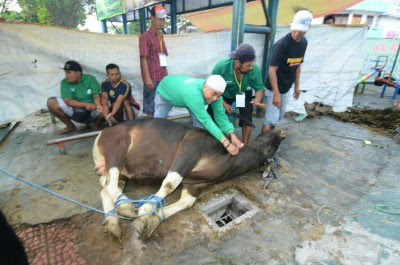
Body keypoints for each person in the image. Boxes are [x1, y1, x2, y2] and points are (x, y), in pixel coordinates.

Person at [154, 75, 243, 156]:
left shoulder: (216, 96)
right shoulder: (193, 94)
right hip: (166, 91)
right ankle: (155, 147)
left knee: (199, 126)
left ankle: (199, 147)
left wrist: (231, 134)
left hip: (185, 95)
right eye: (214, 94)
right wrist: (226, 143)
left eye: (219, 95)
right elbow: (206, 120)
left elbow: (220, 116)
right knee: (157, 123)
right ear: (205, 86)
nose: (215, 98)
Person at [262, 10, 313, 133]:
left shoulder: (304, 43)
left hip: (286, 87)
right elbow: (272, 70)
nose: (297, 33)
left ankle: (268, 143)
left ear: (307, 29)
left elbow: (298, 65)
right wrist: (276, 93)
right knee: (271, 120)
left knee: (278, 117)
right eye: (295, 29)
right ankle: (261, 148)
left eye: (301, 31)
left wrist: (297, 86)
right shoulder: (281, 45)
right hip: (273, 88)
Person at [208, 43, 266, 145]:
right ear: (237, 62)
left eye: (252, 64)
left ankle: (244, 146)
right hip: (224, 93)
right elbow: (211, 88)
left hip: (243, 92)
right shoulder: (221, 67)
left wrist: (257, 100)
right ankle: (215, 142)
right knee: (212, 113)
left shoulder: (253, 68)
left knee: (247, 116)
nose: (251, 67)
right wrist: (224, 103)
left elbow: (259, 88)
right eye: (248, 65)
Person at [47, 60, 104, 134]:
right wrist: (86, 105)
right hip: (76, 113)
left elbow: (96, 95)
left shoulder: (90, 79)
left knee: (105, 105)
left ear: (78, 73)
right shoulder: (64, 82)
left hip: (93, 112)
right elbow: (68, 101)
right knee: (51, 102)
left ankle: (96, 125)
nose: (66, 75)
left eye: (69, 72)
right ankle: (70, 126)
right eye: (65, 72)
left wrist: (98, 106)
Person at [139, 5, 168, 118]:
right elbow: (143, 58)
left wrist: (166, 76)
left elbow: (163, 56)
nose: (162, 22)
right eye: (159, 19)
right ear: (152, 17)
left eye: (163, 19)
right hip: (152, 78)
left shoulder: (160, 36)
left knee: (163, 105)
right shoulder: (145, 37)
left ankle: (161, 130)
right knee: (151, 108)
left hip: (162, 77)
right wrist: (147, 79)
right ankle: (150, 133)